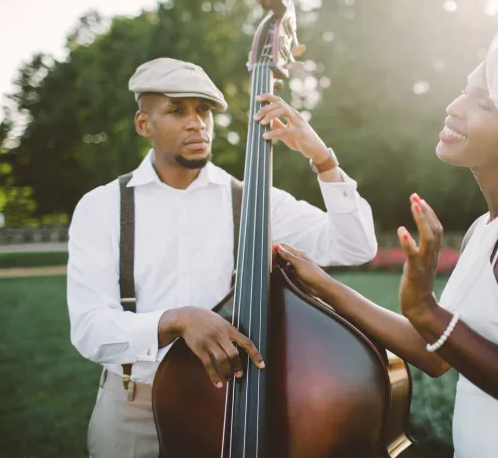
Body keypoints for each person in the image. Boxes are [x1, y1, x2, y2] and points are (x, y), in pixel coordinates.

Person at [275, 9, 498, 457]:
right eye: (464, 91)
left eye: (483, 103)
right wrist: (320, 284)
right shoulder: (490, 225)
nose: (454, 107)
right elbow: (435, 352)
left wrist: (428, 311)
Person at [66, 57, 378, 458]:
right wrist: (175, 319)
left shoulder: (254, 199)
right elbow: (90, 329)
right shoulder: (103, 206)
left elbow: (355, 246)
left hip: (230, 405)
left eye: (204, 111)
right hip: (132, 411)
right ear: (144, 124)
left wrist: (323, 159)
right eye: (177, 111)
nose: (196, 122)